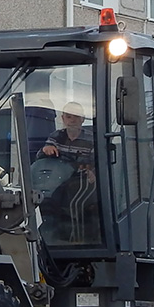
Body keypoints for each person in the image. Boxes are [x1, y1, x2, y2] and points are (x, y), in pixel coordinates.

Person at [38, 102, 98, 244]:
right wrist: (46, 149)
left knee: (75, 203)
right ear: (62, 118)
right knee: (42, 200)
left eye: (76, 117)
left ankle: (78, 240)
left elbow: (99, 161)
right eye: (69, 116)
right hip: (59, 180)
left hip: (83, 179)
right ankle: (45, 238)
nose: (72, 120)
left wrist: (93, 172)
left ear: (83, 119)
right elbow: (41, 158)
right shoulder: (56, 136)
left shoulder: (91, 138)